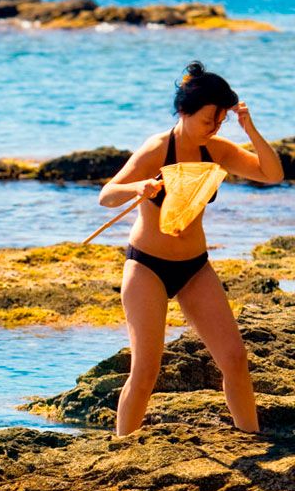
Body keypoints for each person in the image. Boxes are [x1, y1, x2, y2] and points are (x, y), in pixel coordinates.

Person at [98, 61, 283, 436]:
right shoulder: (156, 149)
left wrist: (250, 130)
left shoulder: (215, 149)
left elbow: (272, 174)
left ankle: (250, 438)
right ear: (184, 112)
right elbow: (106, 196)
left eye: (219, 122)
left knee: (234, 359)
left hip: (195, 267)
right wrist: (137, 188)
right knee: (146, 370)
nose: (213, 128)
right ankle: (120, 450)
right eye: (207, 121)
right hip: (147, 267)